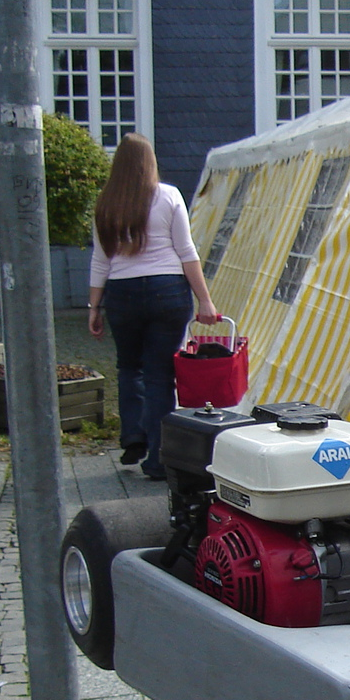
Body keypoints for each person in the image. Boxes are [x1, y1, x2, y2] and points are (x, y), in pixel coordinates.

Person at [88, 133, 219, 480]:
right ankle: (159, 459)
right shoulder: (168, 196)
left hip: (122, 293)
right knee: (160, 375)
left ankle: (134, 436)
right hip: (167, 291)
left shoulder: (105, 203)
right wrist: (205, 300)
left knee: (129, 367)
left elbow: (100, 260)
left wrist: (94, 306)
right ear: (150, 162)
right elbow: (187, 252)